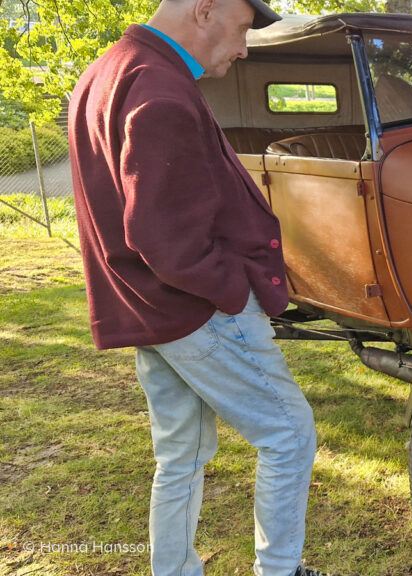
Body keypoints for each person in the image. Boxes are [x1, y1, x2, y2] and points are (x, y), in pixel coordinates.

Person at [67, 1, 338, 575]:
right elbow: (165, 238)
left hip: (147, 309)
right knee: (288, 433)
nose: (243, 49)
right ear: (206, 11)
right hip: (194, 310)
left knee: (181, 456)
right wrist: (233, 292)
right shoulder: (160, 89)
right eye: (242, 29)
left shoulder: (107, 71)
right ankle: (281, 570)